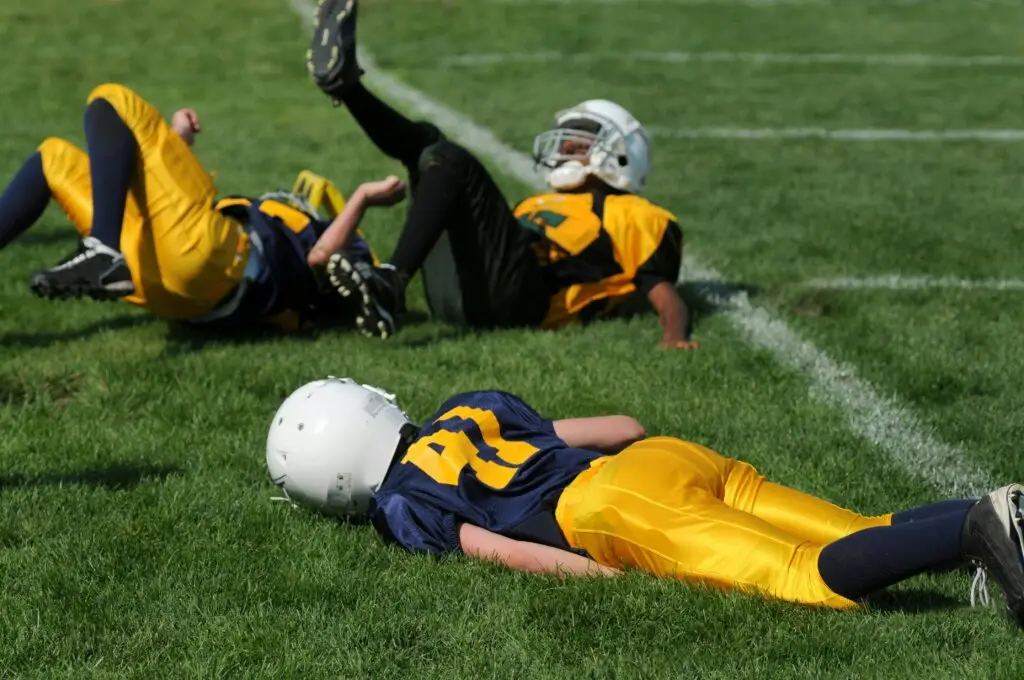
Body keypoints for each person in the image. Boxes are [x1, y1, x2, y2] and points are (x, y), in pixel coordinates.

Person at [266, 377, 1024, 626]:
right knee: (865, 532)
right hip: (656, 460)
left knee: (807, 576)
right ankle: (1002, 511)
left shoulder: (401, 506)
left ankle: (976, 526)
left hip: (612, 510)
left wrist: (605, 580)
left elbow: (503, 549)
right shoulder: (468, 408)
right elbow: (622, 427)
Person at [302, 0, 696, 347]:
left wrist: (674, 335)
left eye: (576, 145)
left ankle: (390, 283)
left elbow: (661, 291)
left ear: (622, 156)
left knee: (449, 157)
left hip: (527, 300)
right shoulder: (542, 201)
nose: (562, 151)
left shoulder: (637, 215)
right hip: (467, 295)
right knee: (428, 143)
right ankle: (348, 88)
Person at [0, 82, 392, 332]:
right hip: (168, 286)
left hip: (214, 265)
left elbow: (321, 257)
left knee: (112, 100)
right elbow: (159, 204)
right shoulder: (292, 244)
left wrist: (361, 198)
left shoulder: (338, 251)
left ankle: (101, 249)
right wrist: (176, 145)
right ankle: (104, 252)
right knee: (52, 157)